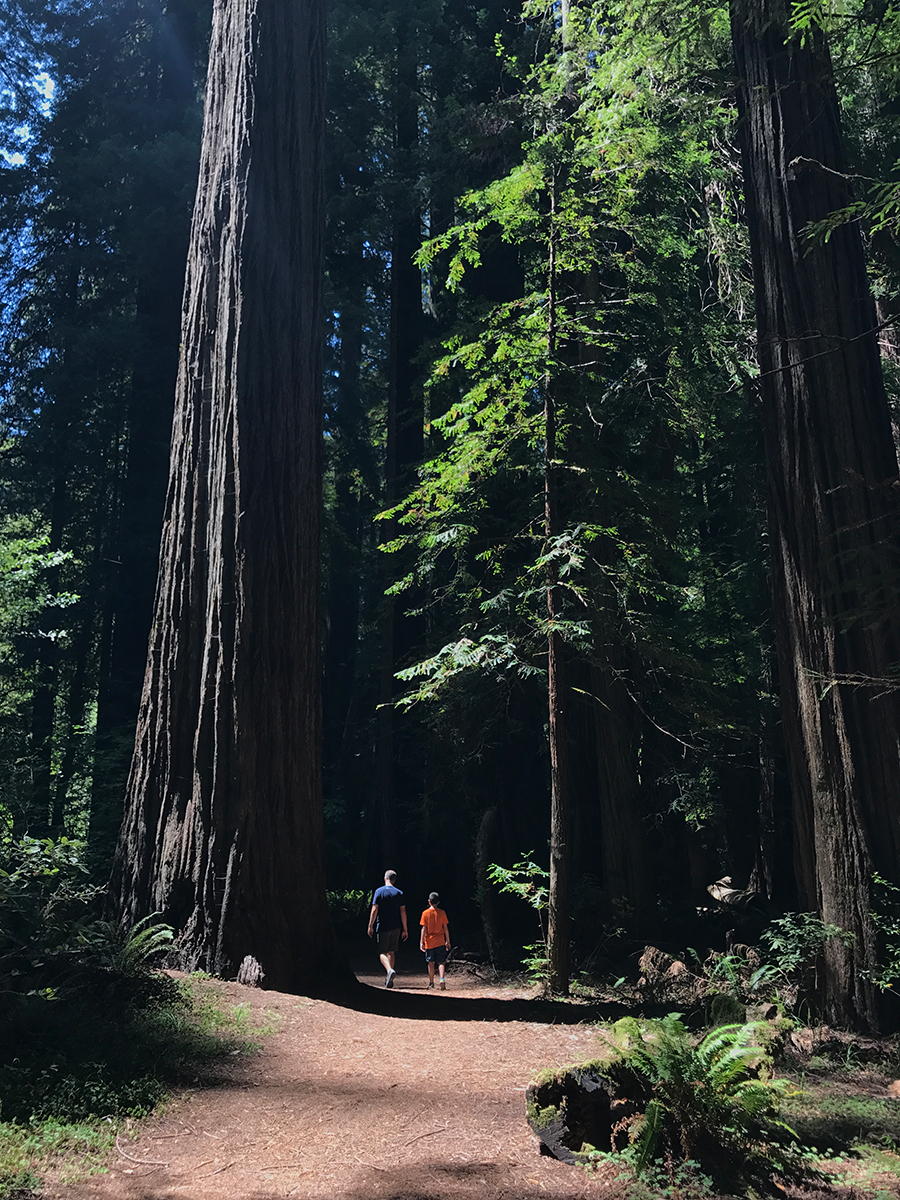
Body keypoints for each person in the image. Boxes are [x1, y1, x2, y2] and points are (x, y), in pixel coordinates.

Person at [367, 869, 407, 988]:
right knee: (392, 951)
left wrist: (370, 925)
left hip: (383, 926)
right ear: (394, 880)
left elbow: (374, 909)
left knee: (382, 952)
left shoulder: (379, 892)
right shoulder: (399, 893)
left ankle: (389, 970)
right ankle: (389, 977)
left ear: (385, 879)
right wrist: (405, 929)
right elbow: (403, 912)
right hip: (396, 926)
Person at [419, 891, 450, 990]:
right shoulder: (442, 913)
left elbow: (424, 928)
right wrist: (447, 941)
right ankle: (441, 979)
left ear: (429, 902)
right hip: (440, 941)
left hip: (429, 942)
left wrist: (421, 941)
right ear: (438, 902)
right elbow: (445, 928)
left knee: (430, 962)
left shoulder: (425, 913)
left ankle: (431, 983)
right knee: (441, 962)